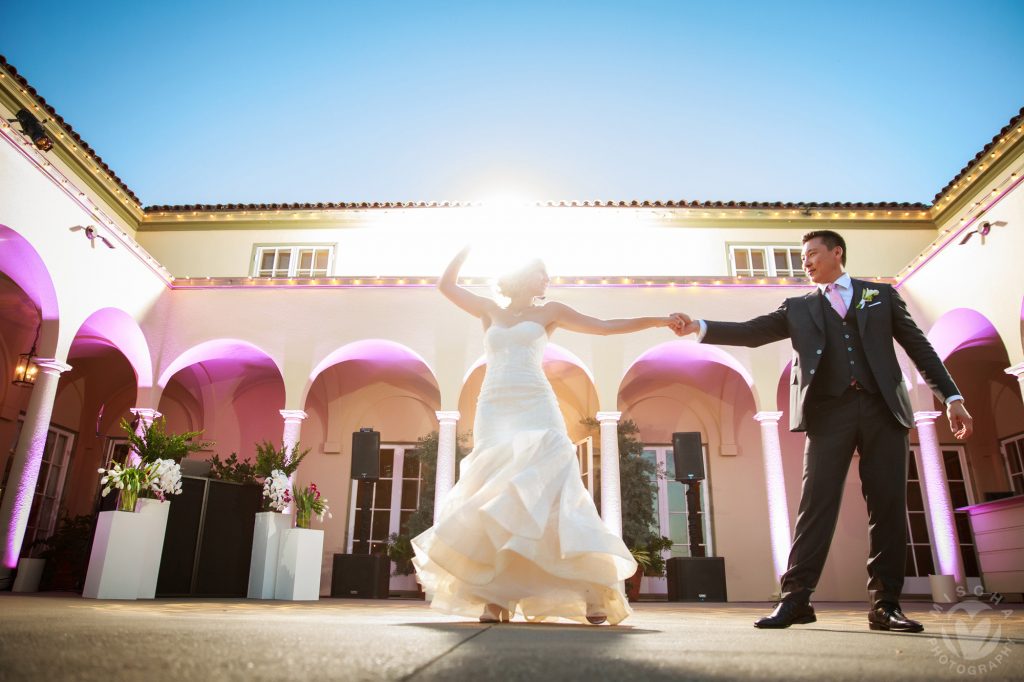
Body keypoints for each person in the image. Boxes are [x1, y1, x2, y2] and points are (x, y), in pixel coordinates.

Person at [672, 229, 973, 633]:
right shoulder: (798, 308)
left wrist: (952, 398)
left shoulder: (879, 295)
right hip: (829, 414)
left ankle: (885, 605)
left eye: (812, 254)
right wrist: (700, 326)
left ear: (837, 253)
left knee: (887, 507)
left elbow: (920, 348)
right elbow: (753, 332)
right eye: (803, 257)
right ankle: (796, 599)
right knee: (815, 507)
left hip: (884, 410)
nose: (806, 262)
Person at [412, 245, 677, 625]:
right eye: (542, 274)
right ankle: (495, 599)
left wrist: (656, 321)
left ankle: (590, 592)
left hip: (536, 403)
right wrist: (466, 248)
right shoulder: (490, 310)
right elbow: (446, 286)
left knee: (555, 493)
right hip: (495, 405)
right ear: (523, 275)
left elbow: (603, 326)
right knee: (497, 494)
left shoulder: (550, 312)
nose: (548, 281)